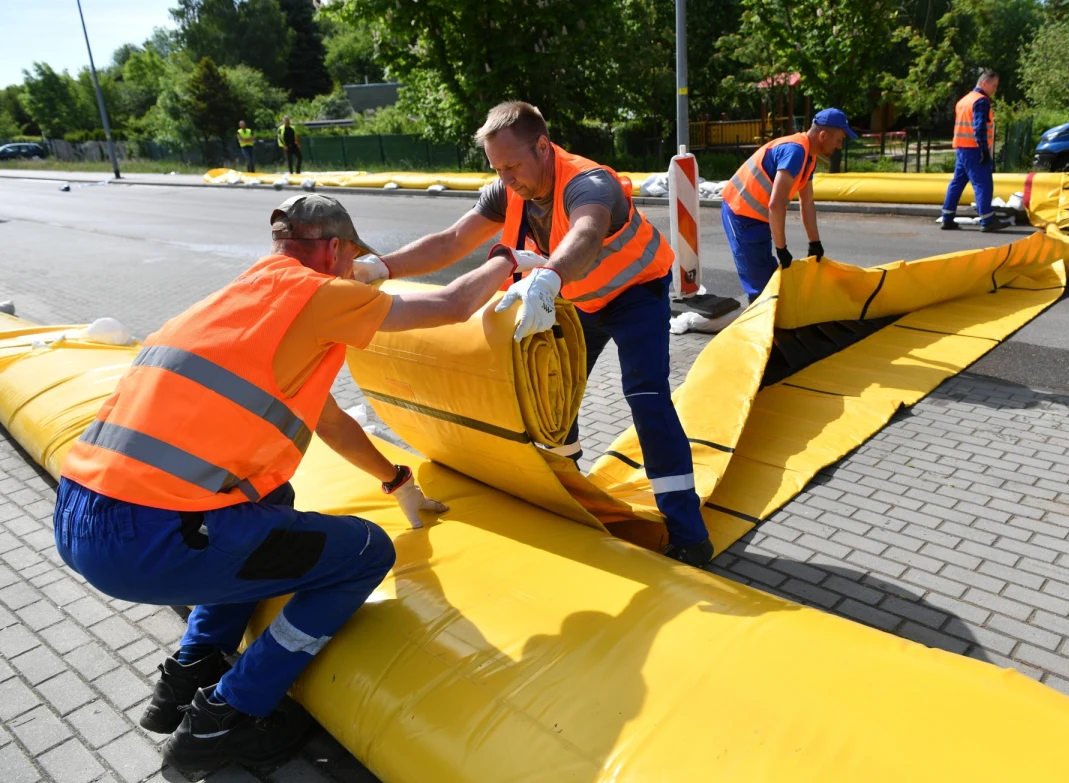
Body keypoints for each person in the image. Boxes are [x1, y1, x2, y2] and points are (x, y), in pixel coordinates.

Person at [53, 194, 528, 772]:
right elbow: (455, 304)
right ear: (332, 250)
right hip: (147, 541)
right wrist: (510, 259)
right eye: (353, 260)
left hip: (78, 514)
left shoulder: (242, 300)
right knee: (364, 552)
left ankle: (192, 671)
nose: (357, 276)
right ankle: (227, 716)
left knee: (274, 501)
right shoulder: (318, 294)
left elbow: (330, 422)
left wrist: (397, 479)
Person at [353, 101, 714, 567]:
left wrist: (548, 278)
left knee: (646, 397)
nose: (506, 179)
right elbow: (453, 240)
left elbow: (585, 232)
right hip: (573, 297)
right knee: (552, 399)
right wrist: (382, 266)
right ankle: (574, 501)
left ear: (543, 146)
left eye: (512, 166)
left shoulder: (589, 182)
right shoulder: (509, 188)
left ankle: (689, 534)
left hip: (634, 296)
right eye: (497, 169)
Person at [720, 109, 856, 301]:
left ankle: (770, 326)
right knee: (762, 289)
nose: (840, 146)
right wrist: (781, 248)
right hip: (739, 213)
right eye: (839, 140)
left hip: (756, 218)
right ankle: (761, 328)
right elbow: (776, 205)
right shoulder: (796, 152)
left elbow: (807, 202)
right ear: (823, 135)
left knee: (770, 284)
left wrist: (814, 243)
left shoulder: (810, 156)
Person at [941, 70, 1010, 233]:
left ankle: (947, 218)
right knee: (983, 184)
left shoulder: (964, 100)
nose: (995, 89)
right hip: (974, 148)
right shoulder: (981, 101)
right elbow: (979, 127)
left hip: (962, 148)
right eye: (994, 86)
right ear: (984, 83)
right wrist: (984, 150)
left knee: (957, 183)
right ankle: (987, 220)